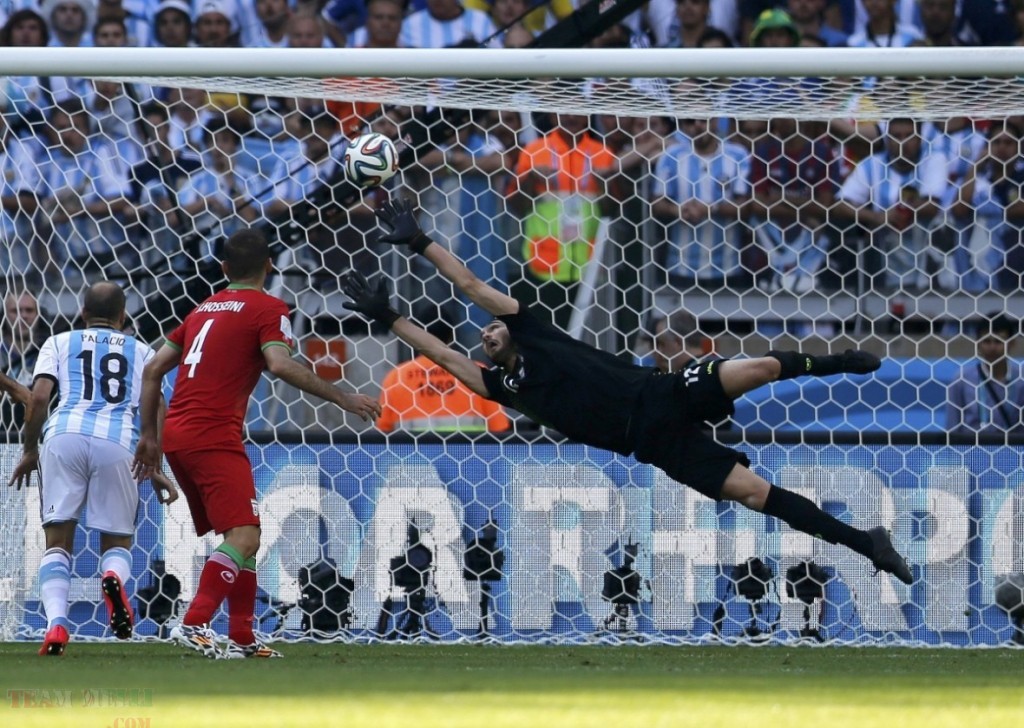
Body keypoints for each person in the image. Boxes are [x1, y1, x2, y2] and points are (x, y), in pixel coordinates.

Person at [342, 197, 915, 588]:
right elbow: (441, 354)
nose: (486, 332)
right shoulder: (503, 387)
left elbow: (467, 283)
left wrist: (419, 241)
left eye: (491, 327)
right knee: (755, 494)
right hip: (653, 444)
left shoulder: (533, 326)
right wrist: (389, 315)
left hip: (661, 393)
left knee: (760, 367)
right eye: (482, 335)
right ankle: (868, 543)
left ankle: (836, 360)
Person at [132, 228, 380, 659]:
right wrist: (343, 397)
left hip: (179, 435)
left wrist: (149, 437)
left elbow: (152, 370)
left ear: (224, 268)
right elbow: (280, 365)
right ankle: (194, 623)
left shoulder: (202, 309)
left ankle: (244, 636)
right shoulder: (269, 307)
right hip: (212, 434)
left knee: (245, 535)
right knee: (244, 536)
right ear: (270, 266)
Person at [8, 281, 179, 656]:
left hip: (63, 435)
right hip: (118, 442)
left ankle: (55, 626)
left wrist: (30, 449)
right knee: (117, 540)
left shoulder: (59, 341)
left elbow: (38, 398)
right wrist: (157, 463)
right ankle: (112, 578)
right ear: (123, 317)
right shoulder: (144, 351)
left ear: (83, 314)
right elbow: (158, 409)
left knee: (58, 540)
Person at [378, 318, 511, 434]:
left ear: (416, 336)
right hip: (469, 458)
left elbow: (383, 430)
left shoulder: (397, 376)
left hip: (414, 460)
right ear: (452, 337)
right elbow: (498, 427)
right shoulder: (476, 372)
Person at [946, 313, 1024, 435]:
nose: (992, 347)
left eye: (998, 341)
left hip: (1011, 451)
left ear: (1011, 343)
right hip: (971, 451)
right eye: (987, 341)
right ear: (978, 344)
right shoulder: (962, 379)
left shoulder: (1021, 380)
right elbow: (952, 427)